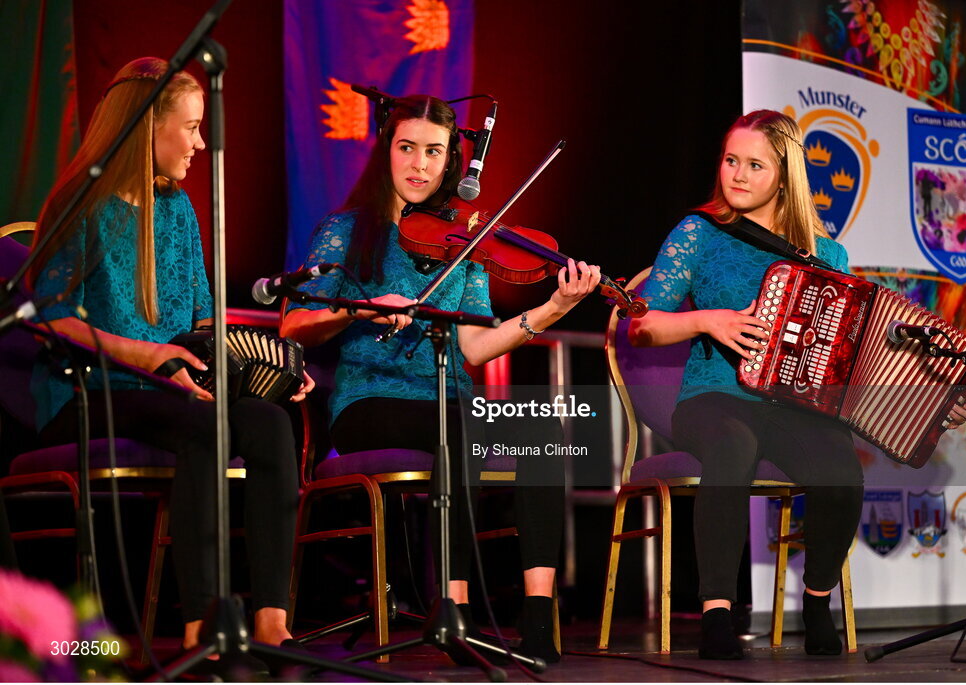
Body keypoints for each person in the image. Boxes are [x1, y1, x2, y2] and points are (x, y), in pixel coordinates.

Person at [628, 110, 966, 659]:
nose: (736, 176)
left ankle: (816, 600)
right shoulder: (698, 233)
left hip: (793, 404)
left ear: (786, 175)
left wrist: (935, 398)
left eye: (754, 165)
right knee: (733, 444)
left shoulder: (827, 254)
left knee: (841, 472)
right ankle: (717, 612)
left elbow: (859, 356)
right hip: (713, 395)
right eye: (730, 161)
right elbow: (643, 324)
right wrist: (707, 320)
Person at [281, 94, 601, 663]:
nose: (420, 165)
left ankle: (537, 616)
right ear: (387, 152)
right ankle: (453, 610)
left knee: (541, 432)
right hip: (369, 400)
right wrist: (361, 308)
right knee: (457, 430)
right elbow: (295, 324)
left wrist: (553, 308)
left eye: (434, 152)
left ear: (451, 160)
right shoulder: (347, 230)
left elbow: (475, 344)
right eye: (407, 148)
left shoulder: (469, 238)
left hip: (450, 399)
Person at [27, 57, 311, 657]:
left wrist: (269, 365)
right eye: (191, 127)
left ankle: (269, 620)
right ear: (147, 128)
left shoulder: (179, 210)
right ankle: (201, 624)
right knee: (207, 427)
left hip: (171, 388)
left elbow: (204, 324)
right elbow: (52, 317)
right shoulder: (85, 202)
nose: (200, 143)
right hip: (89, 389)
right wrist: (146, 354)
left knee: (271, 423)